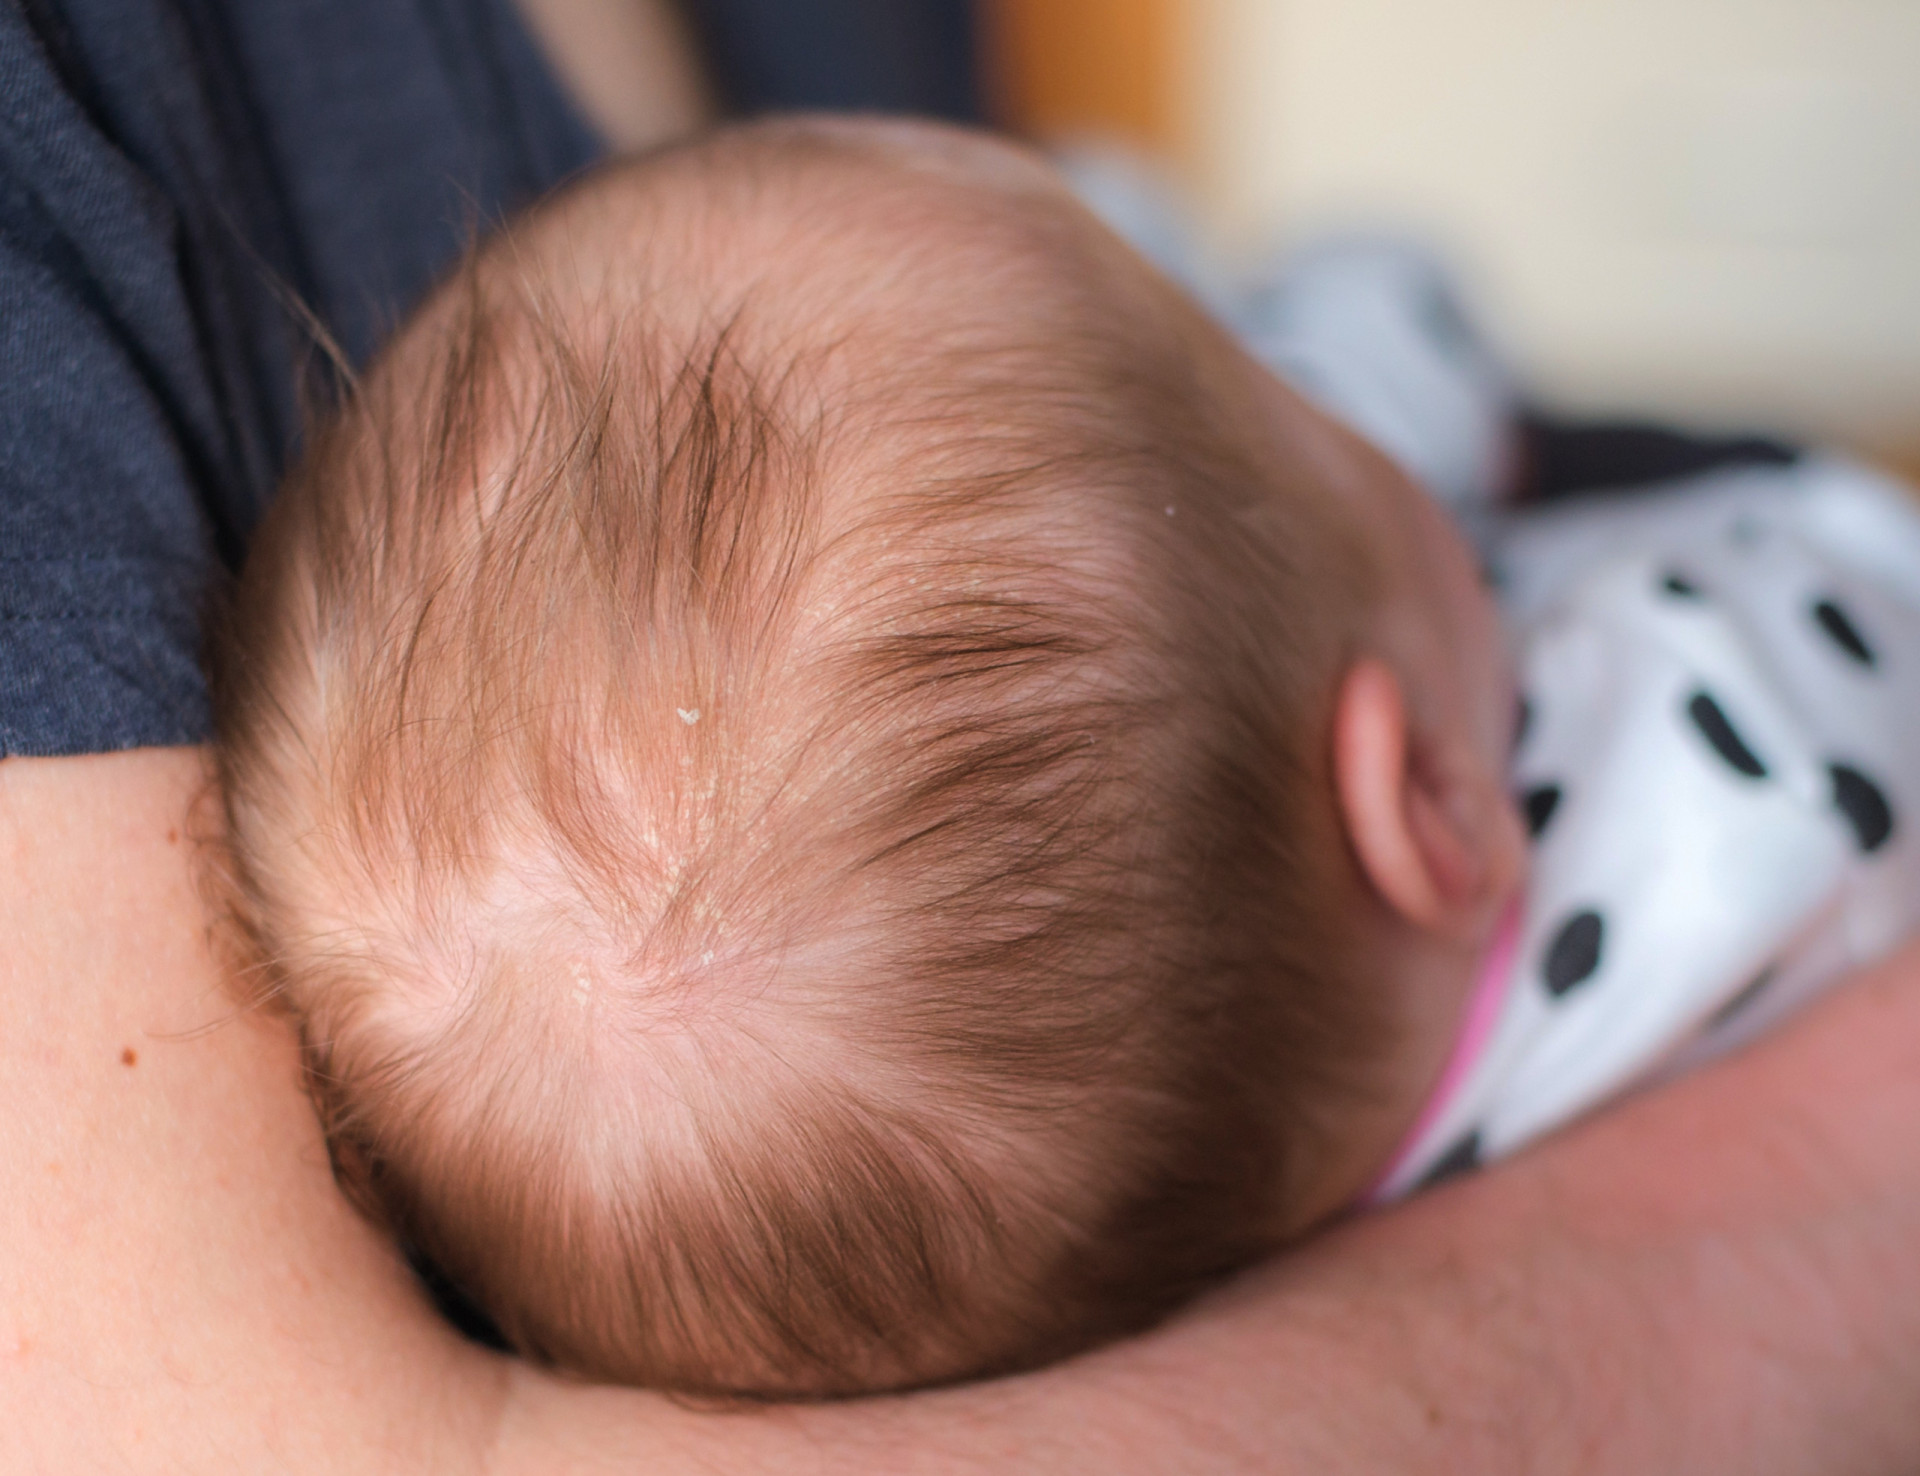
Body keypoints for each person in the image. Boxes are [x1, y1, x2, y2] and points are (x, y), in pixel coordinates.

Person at [7, 0, 1920, 1467]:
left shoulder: (1062, 1182)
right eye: (1243, 363)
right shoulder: (1743, 799)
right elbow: (1381, 355)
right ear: (1422, 798)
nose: (1296, 374)